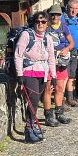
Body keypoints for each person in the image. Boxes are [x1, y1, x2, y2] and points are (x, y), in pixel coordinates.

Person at [14, 11, 56, 143]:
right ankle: (28, 129)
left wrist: (53, 75)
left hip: (42, 73)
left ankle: (32, 126)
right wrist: (19, 74)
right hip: (28, 72)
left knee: (36, 100)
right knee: (32, 100)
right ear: (34, 22)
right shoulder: (26, 35)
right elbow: (18, 55)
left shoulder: (47, 38)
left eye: (43, 22)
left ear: (47, 23)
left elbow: (51, 58)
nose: (40, 24)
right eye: (38, 21)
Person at [43, 5, 74, 127]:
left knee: (60, 88)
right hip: (48, 62)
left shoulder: (63, 26)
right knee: (48, 88)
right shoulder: (45, 26)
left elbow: (72, 42)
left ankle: (59, 112)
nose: (55, 17)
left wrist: (66, 49)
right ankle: (48, 116)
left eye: (57, 14)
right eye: (53, 14)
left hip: (61, 61)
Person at [61, 0, 78, 107]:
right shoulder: (62, 18)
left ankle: (70, 99)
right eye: (71, 8)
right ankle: (62, 100)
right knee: (64, 76)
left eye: (76, 8)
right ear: (67, 8)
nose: (73, 11)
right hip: (65, 50)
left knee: (72, 76)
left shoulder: (77, 19)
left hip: (74, 51)